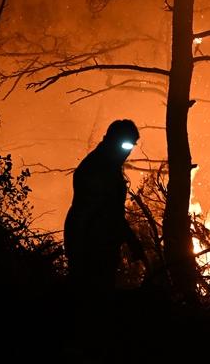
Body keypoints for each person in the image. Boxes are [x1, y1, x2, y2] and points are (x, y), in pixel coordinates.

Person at [63, 119, 145, 352]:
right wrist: (79, 251)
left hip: (100, 245)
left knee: (99, 301)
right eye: (124, 147)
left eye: (130, 148)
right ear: (110, 140)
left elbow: (112, 214)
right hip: (90, 247)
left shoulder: (107, 167)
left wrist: (128, 239)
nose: (127, 154)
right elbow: (94, 213)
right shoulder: (96, 170)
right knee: (90, 304)